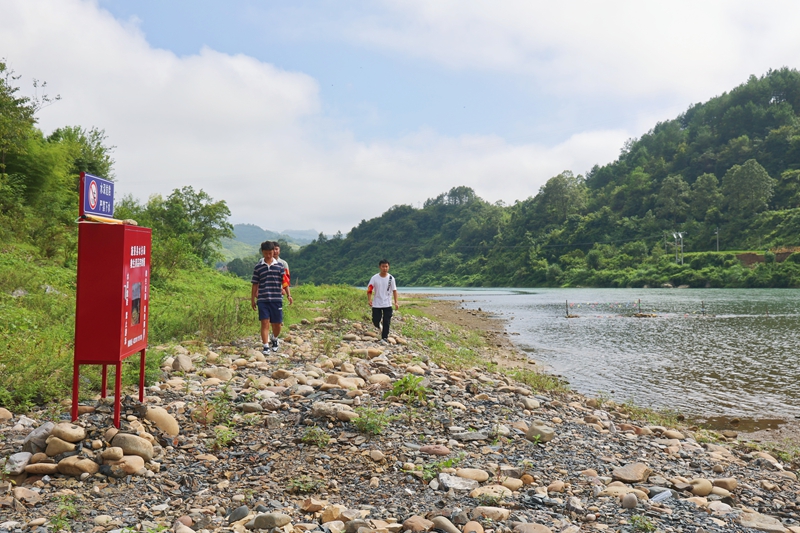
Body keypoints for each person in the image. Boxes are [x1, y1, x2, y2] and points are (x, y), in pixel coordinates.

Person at [251, 241, 292, 354]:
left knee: (277, 324)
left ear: (274, 251)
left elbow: (285, 283)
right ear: (262, 252)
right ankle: (265, 346)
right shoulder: (258, 267)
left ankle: (274, 338)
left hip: (276, 299)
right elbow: (255, 283)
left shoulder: (280, 266)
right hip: (263, 299)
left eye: (270, 253)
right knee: (265, 322)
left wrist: (289, 295)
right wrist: (253, 299)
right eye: (265, 253)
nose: (268, 255)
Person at [367, 259, 398, 342]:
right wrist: (369, 299)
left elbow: (394, 290)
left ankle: (384, 337)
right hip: (377, 303)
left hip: (387, 303)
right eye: (383, 266)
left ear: (389, 267)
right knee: (375, 320)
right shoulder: (374, 278)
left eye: (386, 266)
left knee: (387, 321)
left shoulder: (391, 278)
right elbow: (370, 289)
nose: (385, 268)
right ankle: (378, 326)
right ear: (379, 267)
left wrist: (396, 302)